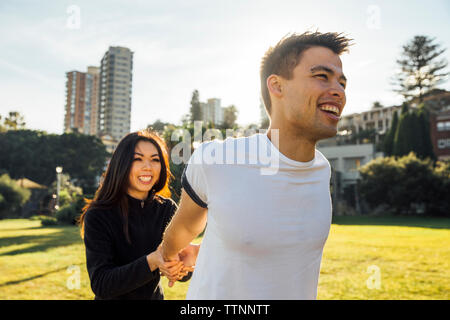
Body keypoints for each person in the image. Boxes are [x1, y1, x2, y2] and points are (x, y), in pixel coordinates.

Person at [160, 31, 352, 299]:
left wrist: (208, 250)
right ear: (277, 86)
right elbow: (182, 230)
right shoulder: (217, 159)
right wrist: (169, 255)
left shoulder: (322, 170)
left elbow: (274, 243)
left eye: (342, 82)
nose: (338, 91)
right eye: (322, 76)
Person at [79, 130, 193, 300]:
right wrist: (152, 261)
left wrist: (179, 268)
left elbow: (178, 266)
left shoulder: (166, 209)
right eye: (137, 159)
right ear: (122, 164)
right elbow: (101, 284)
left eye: (155, 160)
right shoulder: (98, 215)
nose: (147, 167)